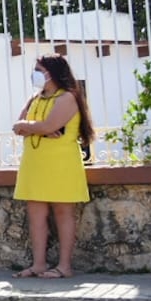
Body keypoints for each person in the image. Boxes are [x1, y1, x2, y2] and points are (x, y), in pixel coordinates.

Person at [11, 54, 93, 279]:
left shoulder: (67, 97)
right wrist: (35, 128)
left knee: (63, 211)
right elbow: (18, 126)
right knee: (36, 213)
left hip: (61, 163)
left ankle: (64, 266)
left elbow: (50, 125)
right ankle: (38, 264)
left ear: (52, 72)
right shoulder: (35, 98)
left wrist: (36, 127)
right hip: (35, 162)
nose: (35, 73)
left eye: (39, 69)